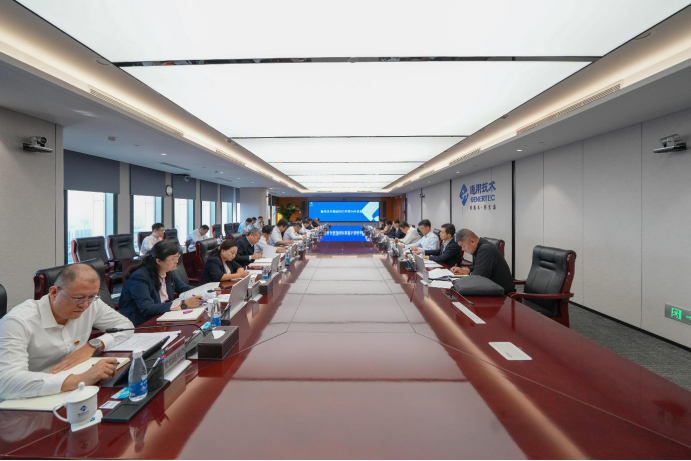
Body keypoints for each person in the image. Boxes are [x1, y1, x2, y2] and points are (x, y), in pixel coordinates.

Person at [0, 264, 134, 400]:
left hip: (73, 386)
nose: (85, 305)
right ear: (54, 292)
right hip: (30, 395)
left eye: (92, 297)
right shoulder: (17, 322)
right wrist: (80, 379)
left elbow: (126, 326)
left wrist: (94, 345)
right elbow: (6, 381)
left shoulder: (92, 303)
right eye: (78, 298)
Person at [118, 240, 203, 326]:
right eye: (173, 259)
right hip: (141, 323)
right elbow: (147, 308)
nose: (176, 261)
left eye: (177, 257)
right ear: (158, 261)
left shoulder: (167, 271)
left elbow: (183, 288)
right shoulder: (140, 277)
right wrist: (183, 303)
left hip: (163, 315)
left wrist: (205, 291)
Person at [450, 229, 515, 294]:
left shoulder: (485, 249)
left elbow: (478, 278)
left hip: (502, 294)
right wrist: (466, 270)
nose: (463, 249)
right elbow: (479, 267)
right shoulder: (480, 248)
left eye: (463, 245)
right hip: (492, 289)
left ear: (472, 241)